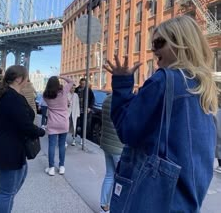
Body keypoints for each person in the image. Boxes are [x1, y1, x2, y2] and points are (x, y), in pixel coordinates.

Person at [104, 15, 218, 212]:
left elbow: (127, 130)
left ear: (180, 43)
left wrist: (122, 84)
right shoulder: (203, 88)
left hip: (155, 197)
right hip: (187, 199)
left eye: (158, 42)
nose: (153, 49)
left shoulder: (164, 80)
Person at [0, 65, 45, 213]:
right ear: (19, 79)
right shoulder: (11, 97)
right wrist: (41, 131)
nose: (27, 81)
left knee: (17, 182)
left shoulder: (12, 95)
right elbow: (24, 124)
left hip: (12, 147)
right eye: (26, 78)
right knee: (7, 191)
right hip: (7, 149)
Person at [43, 75, 73, 176]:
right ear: (58, 84)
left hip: (52, 123)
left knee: (51, 145)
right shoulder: (63, 92)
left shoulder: (45, 95)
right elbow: (71, 82)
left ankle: (51, 168)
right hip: (64, 123)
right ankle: (61, 167)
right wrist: (62, 77)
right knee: (61, 145)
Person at [100, 94, 123, 213]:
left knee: (109, 174)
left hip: (106, 143)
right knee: (121, 178)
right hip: (118, 146)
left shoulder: (106, 100)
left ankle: (104, 206)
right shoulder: (124, 100)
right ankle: (116, 207)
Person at [75, 78, 95, 145]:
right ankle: (74, 138)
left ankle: (82, 139)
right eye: (81, 83)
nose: (82, 85)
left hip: (84, 111)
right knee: (75, 124)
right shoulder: (76, 89)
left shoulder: (88, 90)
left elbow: (92, 99)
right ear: (79, 83)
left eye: (84, 84)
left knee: (84, 125)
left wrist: (89, 107)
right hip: (77, 110)